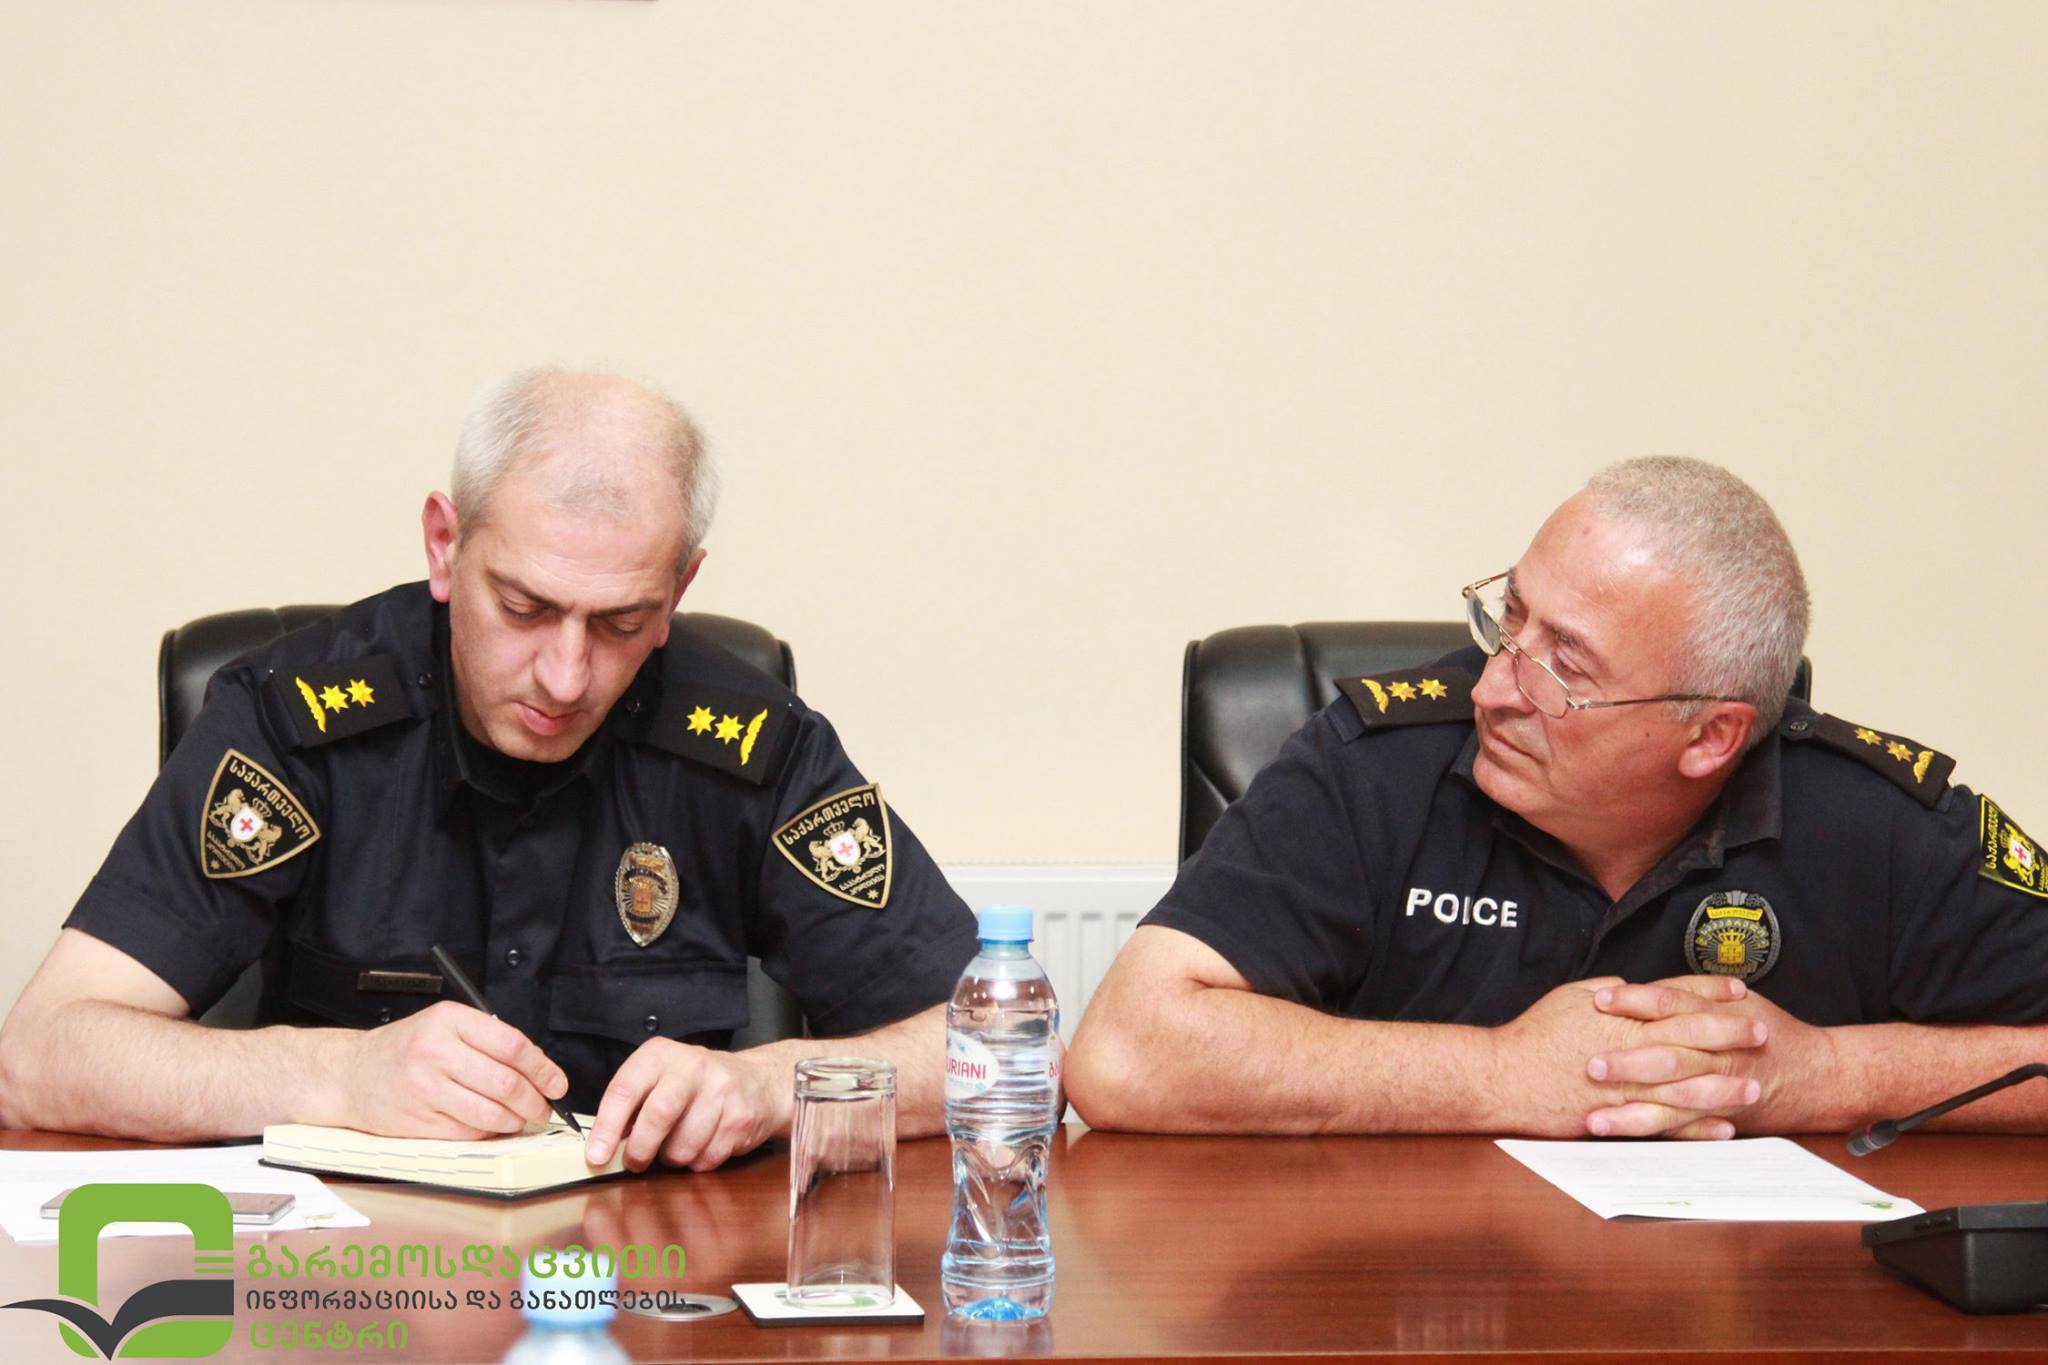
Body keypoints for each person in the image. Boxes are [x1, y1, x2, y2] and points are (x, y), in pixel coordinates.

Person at [0, 369, 980, 1171]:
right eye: (523, 608)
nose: (565, 676)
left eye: (621, 622)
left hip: (655, 1281)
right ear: (445, 544)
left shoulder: (749, 746)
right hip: (358, 1284)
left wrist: (775, 1086)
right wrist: (338, 1075)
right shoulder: (293, 722)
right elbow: (40, 1054)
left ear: (679, 588)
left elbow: (1001, 1049)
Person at [1066, 457, 2048, 1140]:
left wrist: (1828, 1076)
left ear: (1710, 736)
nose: (1495, 687)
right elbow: (1123, 1054)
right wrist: (1504, 1074)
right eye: (1510, 619)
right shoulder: (1376, 767)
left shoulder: (1874, 821)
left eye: (1563, 669)